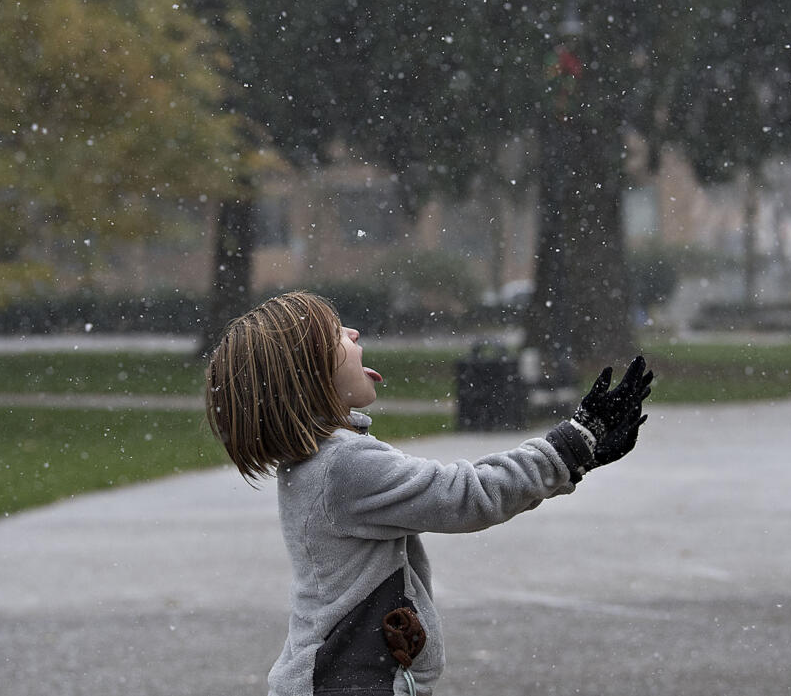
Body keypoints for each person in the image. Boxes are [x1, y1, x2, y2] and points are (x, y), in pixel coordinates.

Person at [205, 291, 653, 696]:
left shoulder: (320, 464)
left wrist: (576, 458)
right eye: (336, 334)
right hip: (350, 686)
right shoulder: (343, 467)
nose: (353, 332)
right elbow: (465, 497)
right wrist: (575, 440)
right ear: (308, 373)